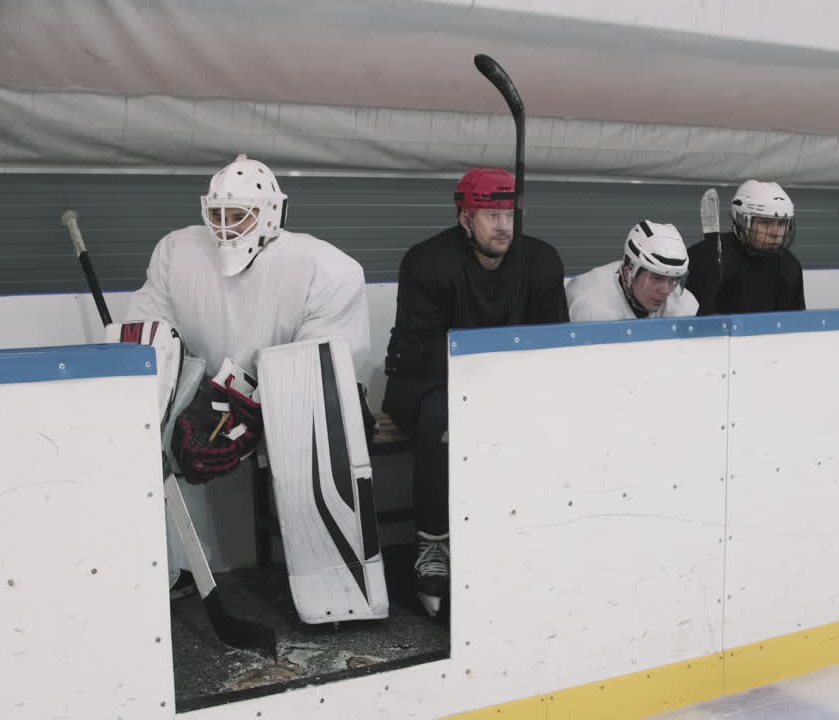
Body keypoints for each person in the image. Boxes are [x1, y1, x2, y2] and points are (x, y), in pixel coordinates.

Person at [124, 153, 372, 597]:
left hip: (293, 399)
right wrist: (188, 400)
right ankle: (177, 567)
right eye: (217, 215)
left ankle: (334, 584)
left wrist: (251, 407)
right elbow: (149, 337)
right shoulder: (176, 251)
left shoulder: (328, 268)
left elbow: (320, 370)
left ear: (271, 213)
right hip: (207, 394)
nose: (225, 227)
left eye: (238, 215)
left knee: (316, 438)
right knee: (143, 429)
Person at [382, 167, 568, 616]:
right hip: (428, 383)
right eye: (491, 215)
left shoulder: (540, 261)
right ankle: (433, 544)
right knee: (445, 419)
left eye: (509, 214)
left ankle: (522, 533)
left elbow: (554, 343)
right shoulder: (427, 262)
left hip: (504, 384)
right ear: (465, 218)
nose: (503, 226)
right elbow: (416, 353)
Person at [685, 180, 805, 315]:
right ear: (741, 220)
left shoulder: (790, 265)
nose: (775, 233)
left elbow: (796, 322)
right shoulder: (707, 256)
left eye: (782, 223)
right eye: (766, 223)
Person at [566, 220, 698, 321]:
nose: (665, 291)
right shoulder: (592, 309)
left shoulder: (684, 304)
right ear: (627, 274)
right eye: (657, 278)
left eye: (674, 280)